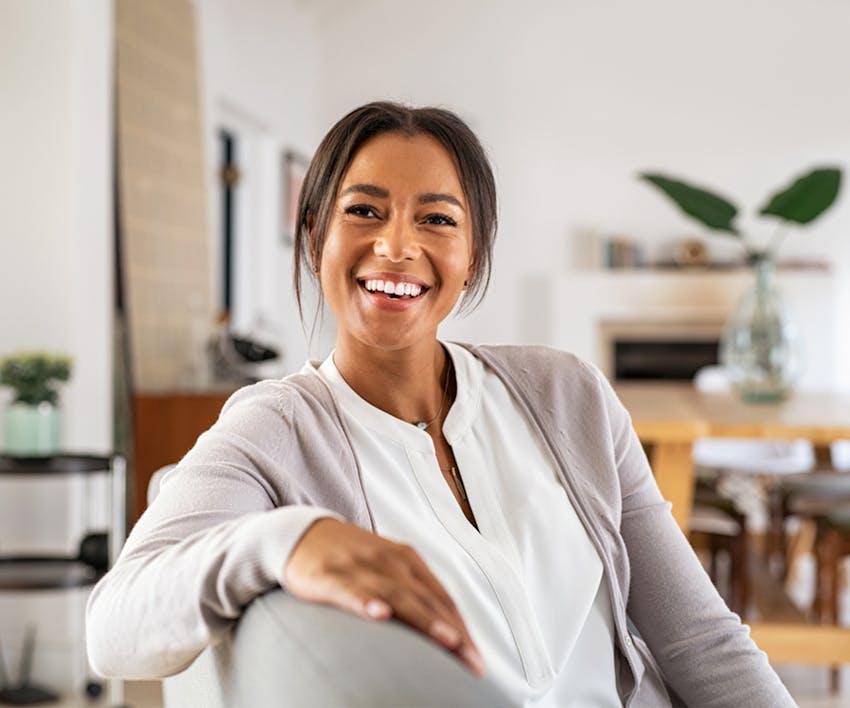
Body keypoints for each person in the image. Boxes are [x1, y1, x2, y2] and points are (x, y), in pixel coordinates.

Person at [86, 102, 795, 706]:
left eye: (437, 219)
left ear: (474, 254)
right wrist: (288, 540)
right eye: (363, 210)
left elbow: (699, 637)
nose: (396, 246)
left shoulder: (568, 394)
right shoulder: (277, 427)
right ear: (314, 235)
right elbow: (112, 628)